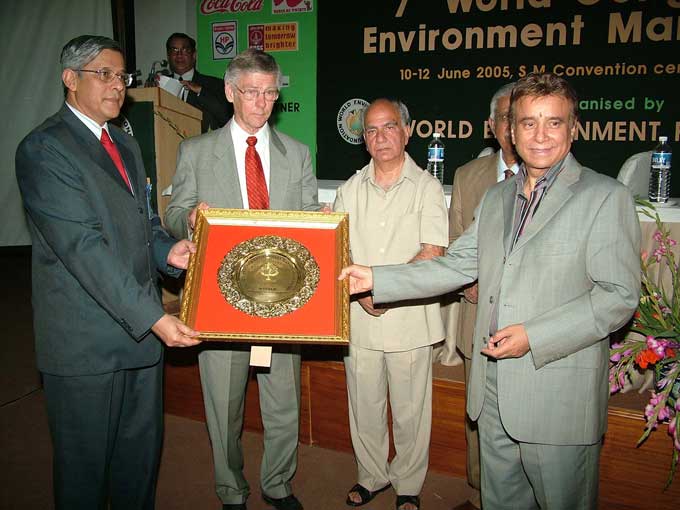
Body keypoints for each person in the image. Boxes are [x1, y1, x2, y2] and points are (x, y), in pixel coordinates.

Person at [339, 72, 641, 510]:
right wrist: (379, 279)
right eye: (528, 123)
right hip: (492, 386)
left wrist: (534, 336)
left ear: (574, 128)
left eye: (553, 122)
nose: (540, 135)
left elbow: (618, 297)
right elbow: (456, 264)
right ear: (511, 132)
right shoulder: (497, 198)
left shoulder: (605, 196)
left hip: (555, 395)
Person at [14, 35, 201, 510]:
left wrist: (170, 252)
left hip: (139, 339)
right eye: (105, 74)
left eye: (122, 76)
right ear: (70, 79)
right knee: (85, 475)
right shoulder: (44, 149)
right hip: (86, 345)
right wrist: (156, 318)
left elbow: (145, 222)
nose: (118, 85)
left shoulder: (125, 143)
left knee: (139, 465)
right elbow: (83, 249)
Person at [164, 48, 318, 510]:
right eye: (252, 92)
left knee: (283, 402)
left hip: (282, 297)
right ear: (230, 92)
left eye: (270, 93)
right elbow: (173, 211)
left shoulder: (298, 155)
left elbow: (310, 220)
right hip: (220, 298)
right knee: (223, 404)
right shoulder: (195, 151)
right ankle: (231, 488)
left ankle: (278, 483)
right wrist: (190, 219)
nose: (262, 103)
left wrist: (321, 225)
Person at [334, 99, 448, 510]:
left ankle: (408, 483)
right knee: (364, 407)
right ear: (363, 139)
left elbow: (433, 252)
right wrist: (364, 294)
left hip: (409, 320)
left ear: (407, 131)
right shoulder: (349, 189)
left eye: (389, 127)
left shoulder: (427, 187)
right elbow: (337, 250)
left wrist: (381, 288)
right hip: (359, 318)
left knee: (409, 411)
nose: (380, 137)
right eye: (371, 130)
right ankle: (371, 475)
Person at [447, 81, 518, 510]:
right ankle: (479, 494)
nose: (513, 126)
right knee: (478, 414)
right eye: (506, 117)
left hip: (529, 324)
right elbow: (456, 243)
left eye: (521, 116)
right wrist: (467, 282)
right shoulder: (467, 175)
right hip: (479, 319)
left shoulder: (552, 177)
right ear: (492, 126)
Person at [164, 32, 231, 132]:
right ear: (168, 56)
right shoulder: (162, 85)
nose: (179, 55)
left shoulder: (215, 84)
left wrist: (201, 91)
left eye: (185, 50)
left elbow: (226, 119)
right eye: (174, 50)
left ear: (194, 55)